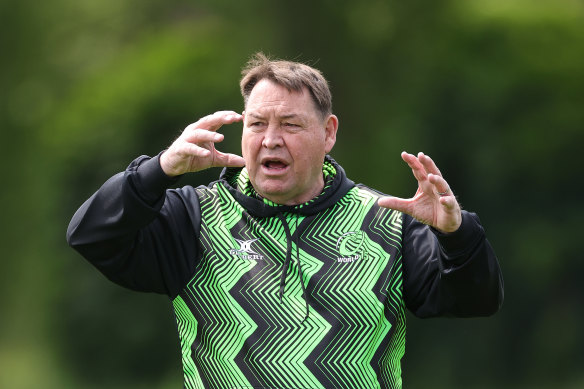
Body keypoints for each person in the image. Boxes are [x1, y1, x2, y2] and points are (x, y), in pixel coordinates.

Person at [67, 52, 503, 389]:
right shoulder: (193, 216)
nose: (271, 139)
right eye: (257, 123)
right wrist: (157, 170)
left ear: (328, 133)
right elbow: (91, 235)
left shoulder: (386, 219)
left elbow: (475, 300)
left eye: (290, 125)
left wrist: (457, 235)